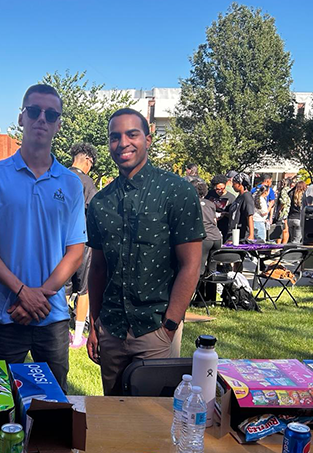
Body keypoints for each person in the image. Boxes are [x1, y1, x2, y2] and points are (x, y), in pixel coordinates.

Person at [0, 84, 86, 390]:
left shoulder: (71, 183)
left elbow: (76, 249)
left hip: (52, 315)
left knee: (53, 406)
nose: (41, 119)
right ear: (21, 117)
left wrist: (39, 296)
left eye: (50, 114)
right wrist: (22, 292)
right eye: (34, 111)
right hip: (6, 314)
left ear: (58, 124)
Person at [86, 107, 204, 396]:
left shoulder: (177, 192)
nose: (123, 142)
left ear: (148, 139)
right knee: (114, 414)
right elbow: (98, 268)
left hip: (155, 328)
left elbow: (191, 265)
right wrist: (94, 325)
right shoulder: (100, 202)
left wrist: (170, 325)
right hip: (111, 329)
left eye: (132, 134)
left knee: (154, 420)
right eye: (115, 137)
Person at [64, 142, 99, 348]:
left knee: (63, 287)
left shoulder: (60, 176)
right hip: (82, 242)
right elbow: (95, 212)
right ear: (88, 160)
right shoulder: (87, 182)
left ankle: (60, 332)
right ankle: (77, 337)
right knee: (84, 290)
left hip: (59, 242)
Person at [191, 177, 222, 302]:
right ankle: (211, 299)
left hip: (204, 238)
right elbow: (214, 221)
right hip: (216, 237)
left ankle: (199, 298)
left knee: (199, 269)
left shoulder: (192, 203)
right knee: (212, 270)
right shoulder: (210, 204)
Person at [206, 174, 236, 238]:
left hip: (225, 226)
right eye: (217, 189)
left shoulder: (231, 198)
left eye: (222, 188)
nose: (220, 191)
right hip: (210, 226)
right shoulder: (209, 194)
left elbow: (234, 215)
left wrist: (224, 214)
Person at [228, 173, 255, 242]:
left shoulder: (247, 196)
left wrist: (251, 235)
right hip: (233, 232)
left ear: (240, 184)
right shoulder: (239, 197)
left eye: (234, 184)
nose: (232, 186)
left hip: (240, 234)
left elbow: (250, 215)